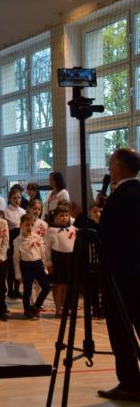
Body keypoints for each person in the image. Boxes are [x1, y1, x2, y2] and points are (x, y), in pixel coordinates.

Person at [97, 148, 140, 402]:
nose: (109, 168)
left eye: (111, 163)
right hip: (137, 271)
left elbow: (108, 239)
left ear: (120, 168)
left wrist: (96, 220)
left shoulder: (119, 198)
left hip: (120, 278)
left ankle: (130, 383)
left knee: (121, 331)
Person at [12, 215, 50, 320]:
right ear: (21, 225)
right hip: (26, 266)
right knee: (27, 290)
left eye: (32, 225)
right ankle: (27, 310)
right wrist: (18, 274)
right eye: (27, 225)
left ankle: (36, 306)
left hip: (38, 265)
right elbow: (16, 259)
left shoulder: (37, 237)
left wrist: (45, 268)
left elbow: (42, 254)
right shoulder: (17, 241)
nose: (30, 227)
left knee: (46, 287)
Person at [44, 206, 76, 317]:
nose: (64, 218)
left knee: (67, 284)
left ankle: (65, 307)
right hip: (58, 259)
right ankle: (58, 309)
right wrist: (48, 263)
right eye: (61, 215)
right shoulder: (51, 230)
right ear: (55, 217)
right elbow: (46, 248)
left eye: (66, 215)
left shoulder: (73, 229)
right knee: (59, 284)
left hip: (70, 259)